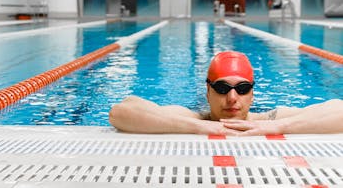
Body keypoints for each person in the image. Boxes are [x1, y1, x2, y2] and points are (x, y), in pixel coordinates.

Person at [108, 51, 343, 136]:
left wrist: (280, 127)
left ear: (252, 94)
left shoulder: (270, 120)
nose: (232, 99)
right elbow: (121, 111)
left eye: (242, 89)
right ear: (208, 92)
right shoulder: (194, 119)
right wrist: (199, 128)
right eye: (222, 89)